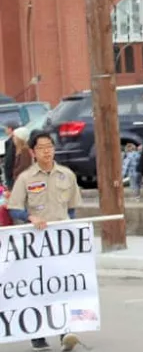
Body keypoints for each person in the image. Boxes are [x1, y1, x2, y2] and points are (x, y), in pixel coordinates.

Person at [7, 130, 82, 351]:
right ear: (32, 152)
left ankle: (64, 332)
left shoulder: (66, 175)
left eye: (49, 146)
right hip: (36, 242)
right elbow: (15, 208)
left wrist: (74, 233)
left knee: (63, 286)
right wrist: (30, 217)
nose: (46, 151)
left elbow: (72, 209)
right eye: (41, 148)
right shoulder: (26, 178)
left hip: (61, 241)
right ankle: (38, 334)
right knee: (39, 288)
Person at [3, 120, 17, 189]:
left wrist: (8, 175)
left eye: (6, 128)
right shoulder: (10, 141)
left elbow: (9, 161)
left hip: (12, 176)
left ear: (10, 129)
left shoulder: (12, 142)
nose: (4, 130)